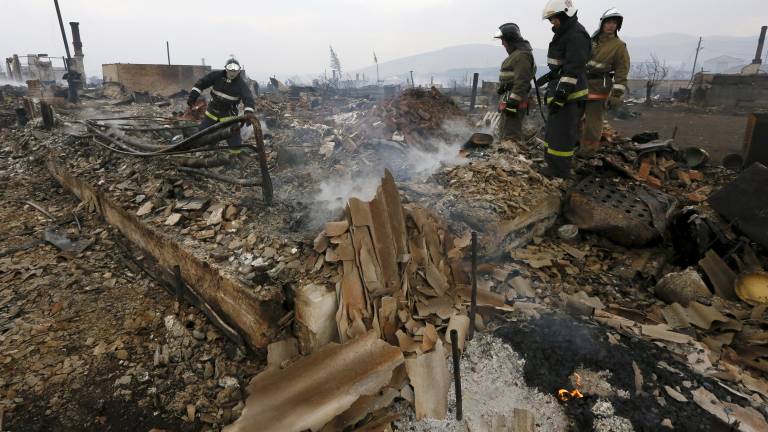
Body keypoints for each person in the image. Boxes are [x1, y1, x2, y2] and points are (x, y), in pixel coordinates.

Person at [539, 0, 591, 179]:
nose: (552, 23)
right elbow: (562, 65)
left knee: (562, 135)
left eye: (554, 19)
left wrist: (561, 96)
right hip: (562, 92)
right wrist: (548, 78)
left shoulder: (576, 35)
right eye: (550, 19)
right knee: (554, 132)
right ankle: (552, 165)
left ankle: (559, 171)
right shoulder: (566, 33)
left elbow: (573, 70)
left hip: (570, 96)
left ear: (565, 14)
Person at [580, 8, 630, 155]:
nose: (611, 25)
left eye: (614, 23)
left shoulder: (619, 46)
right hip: (580, 86)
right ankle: (575, 145)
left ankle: (588, 152)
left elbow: (622, 71)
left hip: (599, 88)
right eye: (608, 22)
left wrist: (616, 95)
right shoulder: (592, 41)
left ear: (618, 26)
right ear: (602, 23)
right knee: (573, 119)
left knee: (593, 123)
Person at [187, 58, 255, 149]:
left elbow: (248, 98)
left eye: (235, 70)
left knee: (234, 139)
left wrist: (249, 112)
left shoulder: (241, 84)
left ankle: (236, 155)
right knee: (202, 134)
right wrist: (193, 96)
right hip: (211, 113)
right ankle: (206, 151)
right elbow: (201, 83)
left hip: (229, 116)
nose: (232, 73)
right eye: (230, 69)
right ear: (226, 69)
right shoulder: (216, 76)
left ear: (239, 71)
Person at [494, 23, 535, 143]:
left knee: (511, 137)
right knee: (505, 133)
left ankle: (512, 154)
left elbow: (522, 81)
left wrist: (513, 101)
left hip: (514, 102)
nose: (502, 44)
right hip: (509, 99)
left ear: (510, 40)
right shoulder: (517, 54)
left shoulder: (522, 56)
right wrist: (503, 87)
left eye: (503, 40)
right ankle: (506, 152)